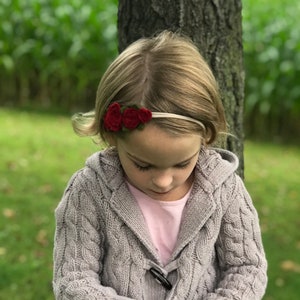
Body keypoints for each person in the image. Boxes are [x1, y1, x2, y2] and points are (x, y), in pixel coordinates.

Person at [53, 31, 267, 299]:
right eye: (143, 165)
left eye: (182, 163)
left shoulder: (225, 189)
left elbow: (247, 268)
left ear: (207, 137)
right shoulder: (89, 190)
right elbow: (73, 279)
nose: (164, 181)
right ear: (112, 137)